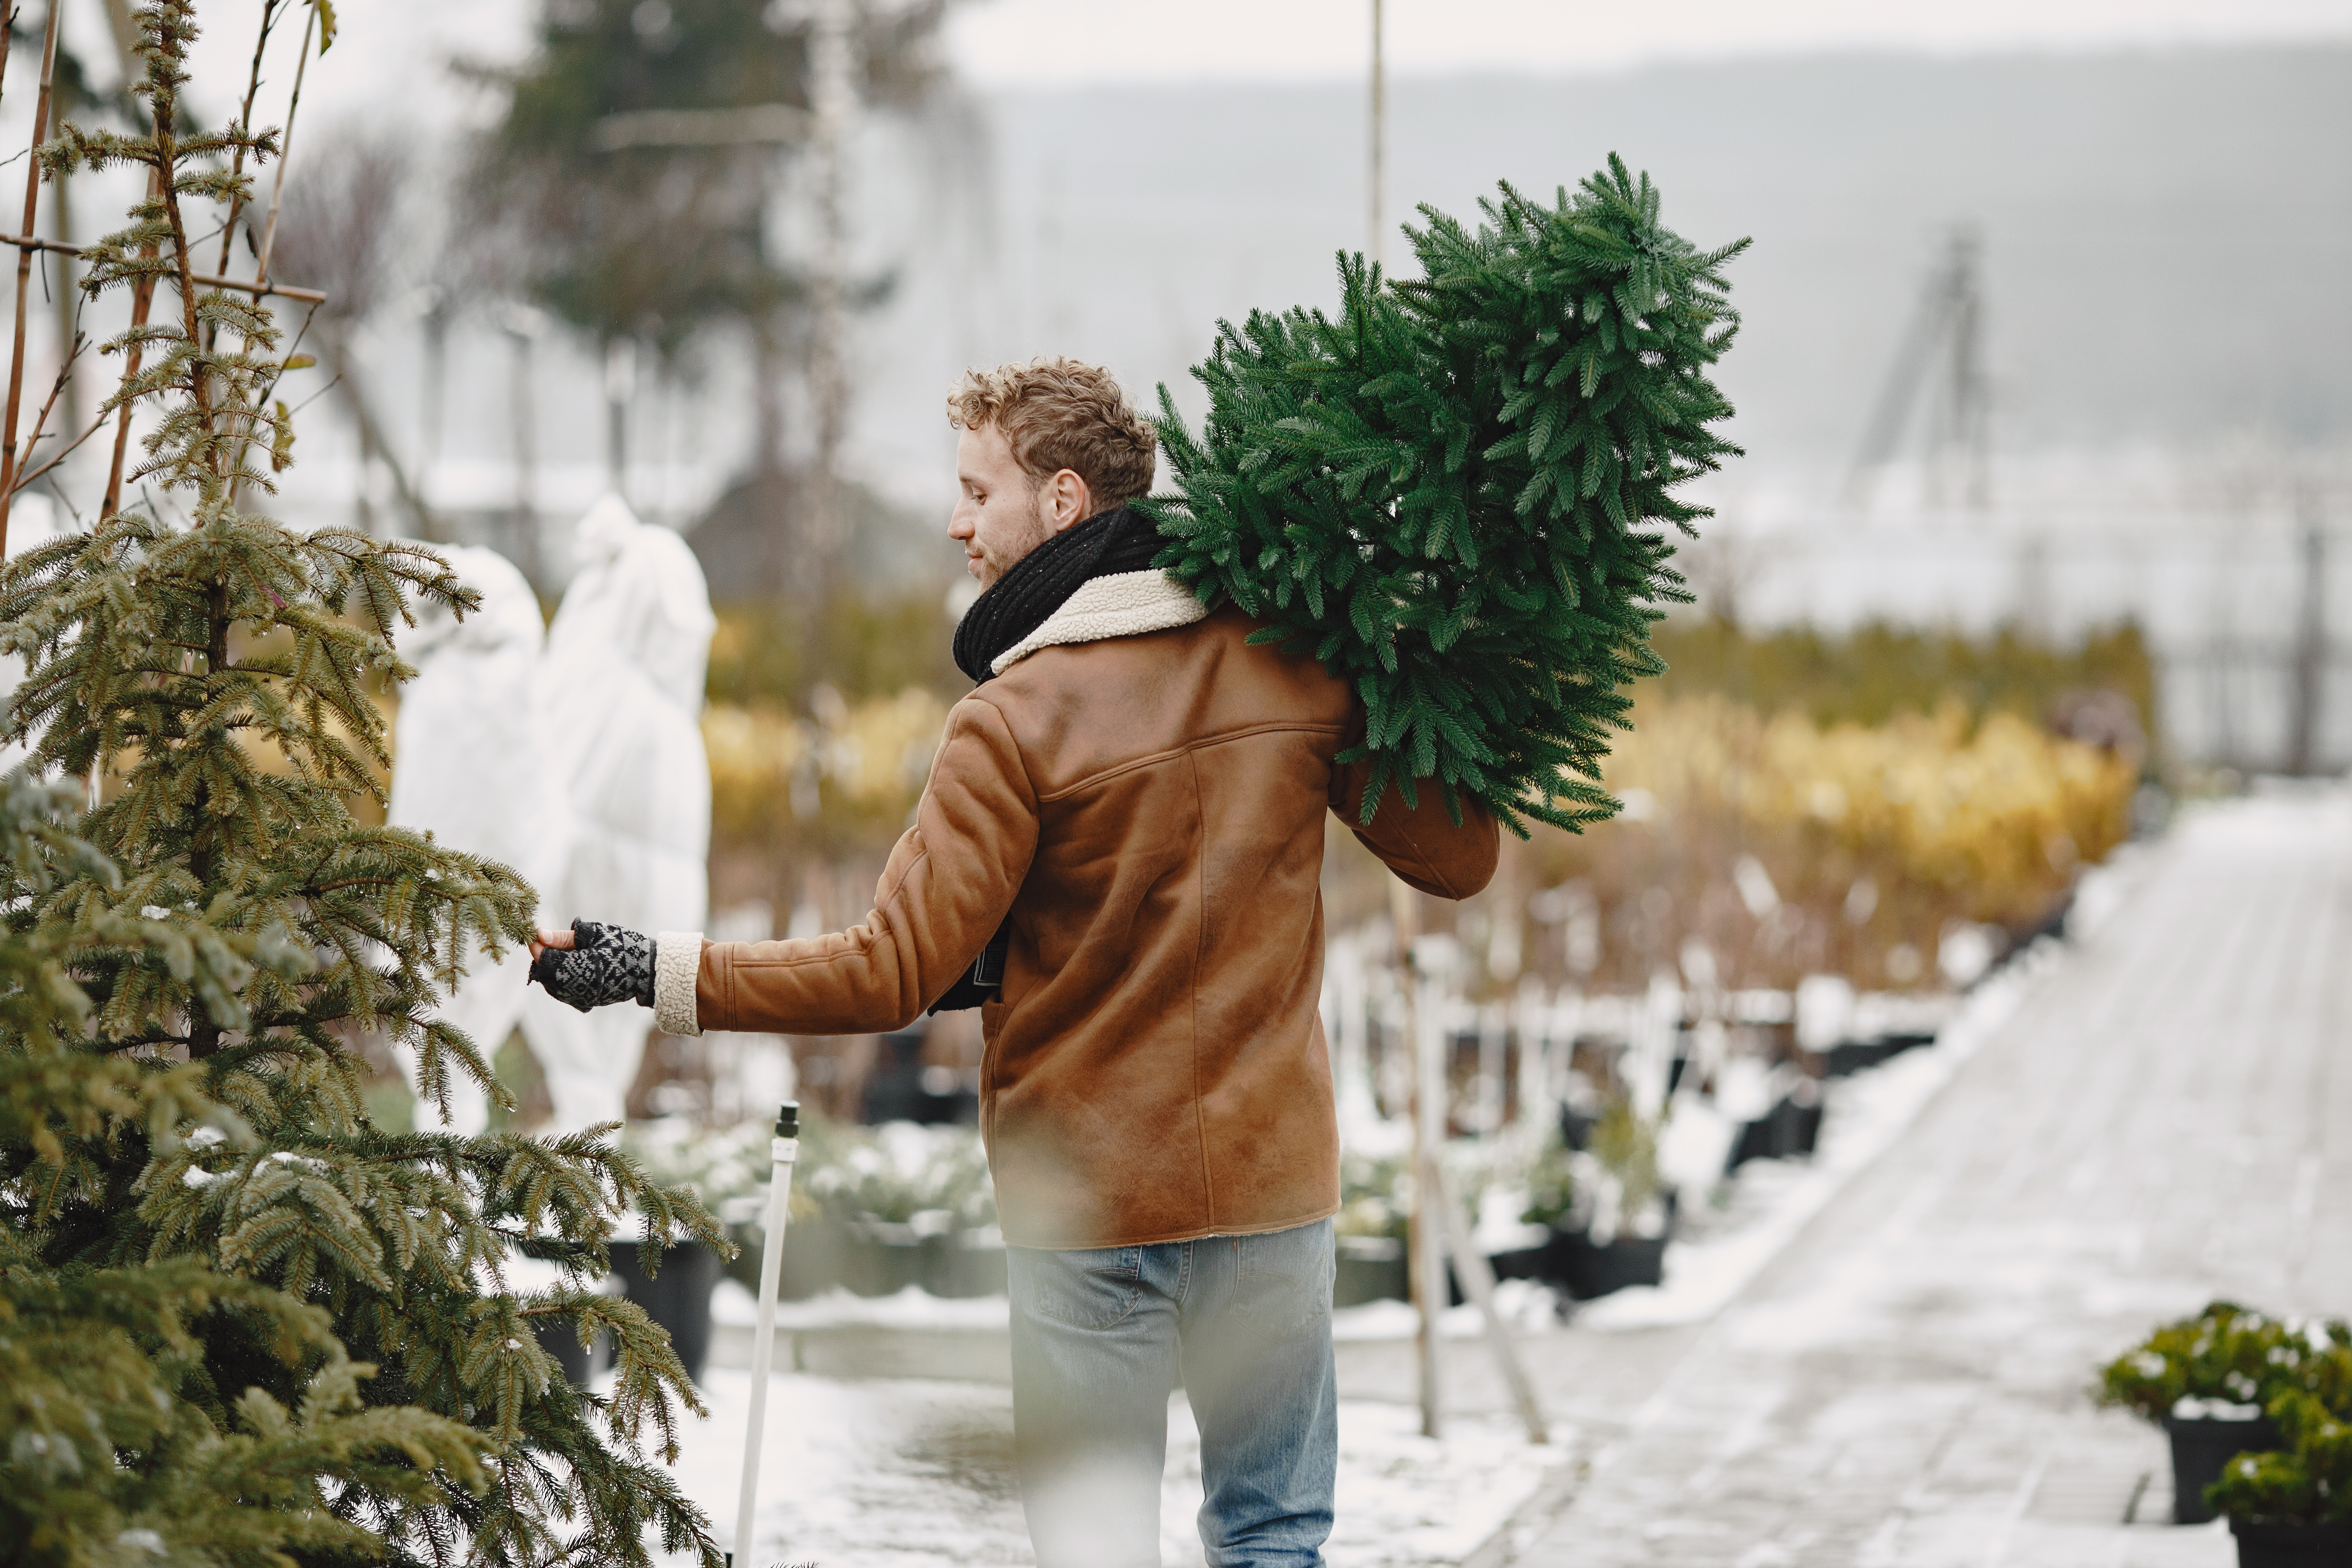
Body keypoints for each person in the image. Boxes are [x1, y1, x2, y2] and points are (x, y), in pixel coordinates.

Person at [530, 357, 1496, 1568]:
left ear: (1063, 503)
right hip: (1269, 1195)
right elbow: (1460, 858)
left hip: (1088, 1214)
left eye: (976, 491)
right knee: (1275, 1536)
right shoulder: (1292, 659)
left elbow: (889, 972)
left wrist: (656, 969)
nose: (953, 521)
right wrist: (1409, 652)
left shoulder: (1013, 721)